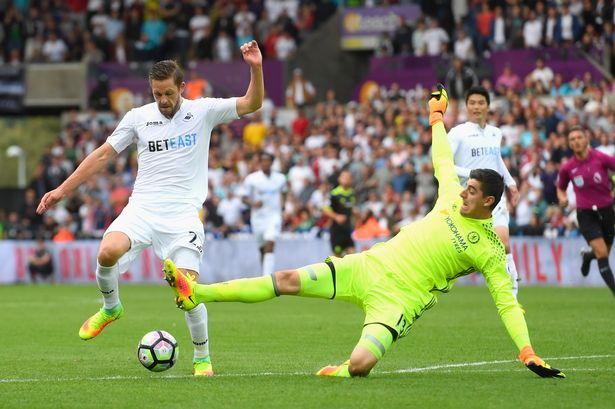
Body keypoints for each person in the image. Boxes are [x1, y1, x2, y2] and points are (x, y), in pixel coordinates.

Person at [163, 85, 564, 379]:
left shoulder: (490, 250)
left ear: (489, 202)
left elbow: (507, 304)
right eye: (465, 186)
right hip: (369, 266)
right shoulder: (450, 197)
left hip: (398, 302)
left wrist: (527, 351)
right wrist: (437, 118)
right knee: (285, 279)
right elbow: (442, 157)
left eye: (472, 190)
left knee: (360, 367)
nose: (463, 191)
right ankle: (198, 291)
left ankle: (343, 370)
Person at [36, 40, 264, 376]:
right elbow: (101, 155)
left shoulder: (203, 111)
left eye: (169, 93)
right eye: (157, 94)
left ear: (181, 87)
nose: (163, 101)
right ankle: (111, 308)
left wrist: (255, 68)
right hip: (141, 209)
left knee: (186, 290)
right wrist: (62, 190)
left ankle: (202, 357)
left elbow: (251, 103)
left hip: (182, 216)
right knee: (107, 252)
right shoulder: (138, 118)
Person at [448, 85, 521, 298]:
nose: (476, 107)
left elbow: (496, 160)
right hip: (469, 201)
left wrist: (511, 182)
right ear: (466, 106)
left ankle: (513, 298)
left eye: (481, 102)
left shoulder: (495, 133)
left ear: (488, 106)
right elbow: (444, 164)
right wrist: (473, 173)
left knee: (504, 243)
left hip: (494, 199)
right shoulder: (457, 133)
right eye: (472, 103)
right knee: (467, 254)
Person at [557, 126, 615, 296]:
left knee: (603, 252)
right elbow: (560, 188)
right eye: (572, 139)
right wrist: (562, 199)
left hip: (607, 211)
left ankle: (588, 257)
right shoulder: (568, 167)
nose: (576, 141)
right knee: (602, 253)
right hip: (586, 214)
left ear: (586, 139)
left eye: (579, 137)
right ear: (569, 144)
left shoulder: (600, 158)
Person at [242, 152, 288, 276]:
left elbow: (284, 192)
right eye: (262, 160)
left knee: (270, 242)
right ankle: (265, 273)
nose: (265, 163)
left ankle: (268, 277)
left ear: (272, 162)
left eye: (267, 160)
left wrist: (283, 205)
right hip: (258, 218)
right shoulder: (252, 179)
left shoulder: (280, 178)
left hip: (274, 216)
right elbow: (243, 197)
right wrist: (253, 204)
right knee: (262, 248)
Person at [323, 170, 357, 257]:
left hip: (347, 231)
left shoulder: (352, 193)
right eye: (344, 177)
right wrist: (336, 216)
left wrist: (356, 214)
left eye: (348, 177)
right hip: (337, 231)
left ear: (351, 180)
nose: (346, 179)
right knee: (338, 258)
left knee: (353, 255)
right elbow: (325, 209)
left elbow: (350, 208)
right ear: (339, 179)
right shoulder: (334, 193)